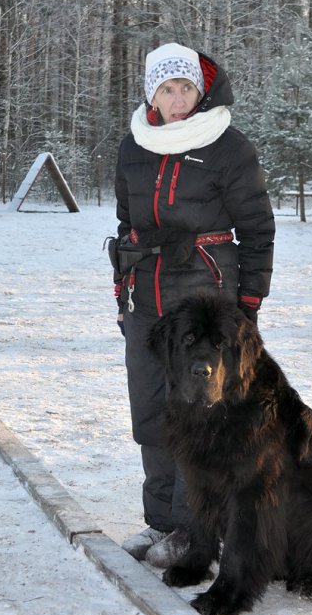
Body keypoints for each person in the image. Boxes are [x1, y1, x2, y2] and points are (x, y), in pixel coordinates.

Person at [112, 42, 275, 568]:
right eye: (167, 89)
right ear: (151, 94)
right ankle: (159, 521)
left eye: (186, 88)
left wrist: (247, 303)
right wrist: (122, 291)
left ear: (200, 92)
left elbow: (256, 229)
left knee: (201, 414)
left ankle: (194, 529)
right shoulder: (134, 146)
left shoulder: (227, 146)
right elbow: (126, 225)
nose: (178, 99)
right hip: (146, 298)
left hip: (205, 303)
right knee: (151, 410)